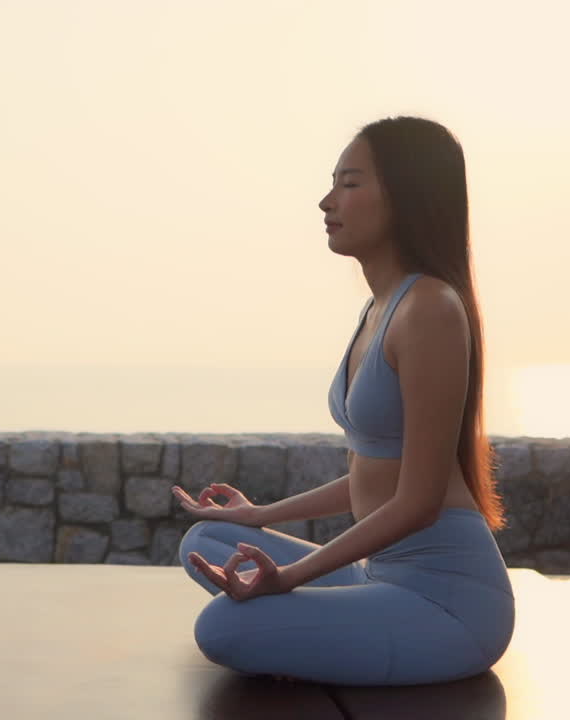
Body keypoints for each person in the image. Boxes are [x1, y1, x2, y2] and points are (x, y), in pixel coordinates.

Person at [171, 115, 514, 686]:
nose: (328, 201)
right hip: (380, 576)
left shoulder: (430, 309)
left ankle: (319, 619)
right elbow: (371, 476)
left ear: (406, 196)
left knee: (222, 630)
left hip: (448, 607)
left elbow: (418, 502)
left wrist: (292, 577)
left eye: (350, 184)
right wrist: (259, 514)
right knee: (205, 538)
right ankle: (327, 614)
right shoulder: (382, 307)